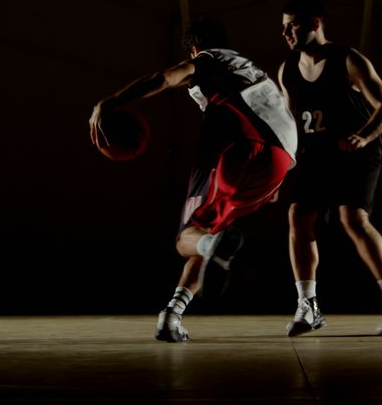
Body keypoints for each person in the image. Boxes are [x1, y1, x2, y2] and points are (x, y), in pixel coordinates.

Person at [89, 18, 297, 343]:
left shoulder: (207, 60)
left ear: (195, 49)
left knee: (187, 238)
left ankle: (212, 247)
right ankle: (171, 316)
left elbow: (163, 78)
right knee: (206, 234)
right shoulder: (249, 70)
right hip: (280, 159)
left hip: (239, 143)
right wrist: (274, 180)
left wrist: (110, 102)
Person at [277, 0, 382, 336]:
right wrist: (279, 169)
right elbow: (289, 124)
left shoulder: (348, 59)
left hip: (356, 153)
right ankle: (308, 307)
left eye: (292, 25)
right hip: (317, 154)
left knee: (352, 219)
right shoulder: (287, 69)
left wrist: (363, 137)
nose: (286, 33)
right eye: (284, 27)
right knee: (298, 216)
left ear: (315, 23)